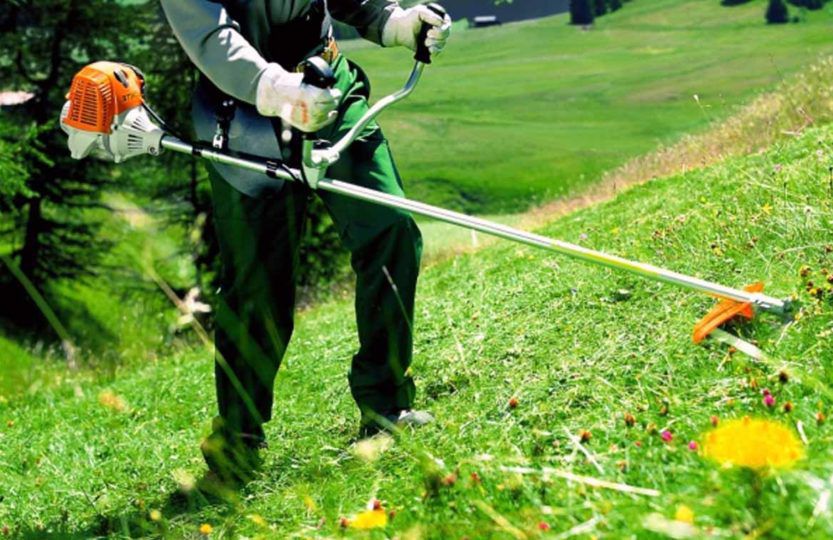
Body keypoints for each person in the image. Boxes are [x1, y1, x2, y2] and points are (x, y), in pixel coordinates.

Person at [161, 0, 452, 485]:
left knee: (390, 227)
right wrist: (276, 89)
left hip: (330, 85)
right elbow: (209, 35)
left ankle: (386, 406)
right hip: (244, 112)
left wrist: (393, 21)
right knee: (256, 286)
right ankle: (238, 441)